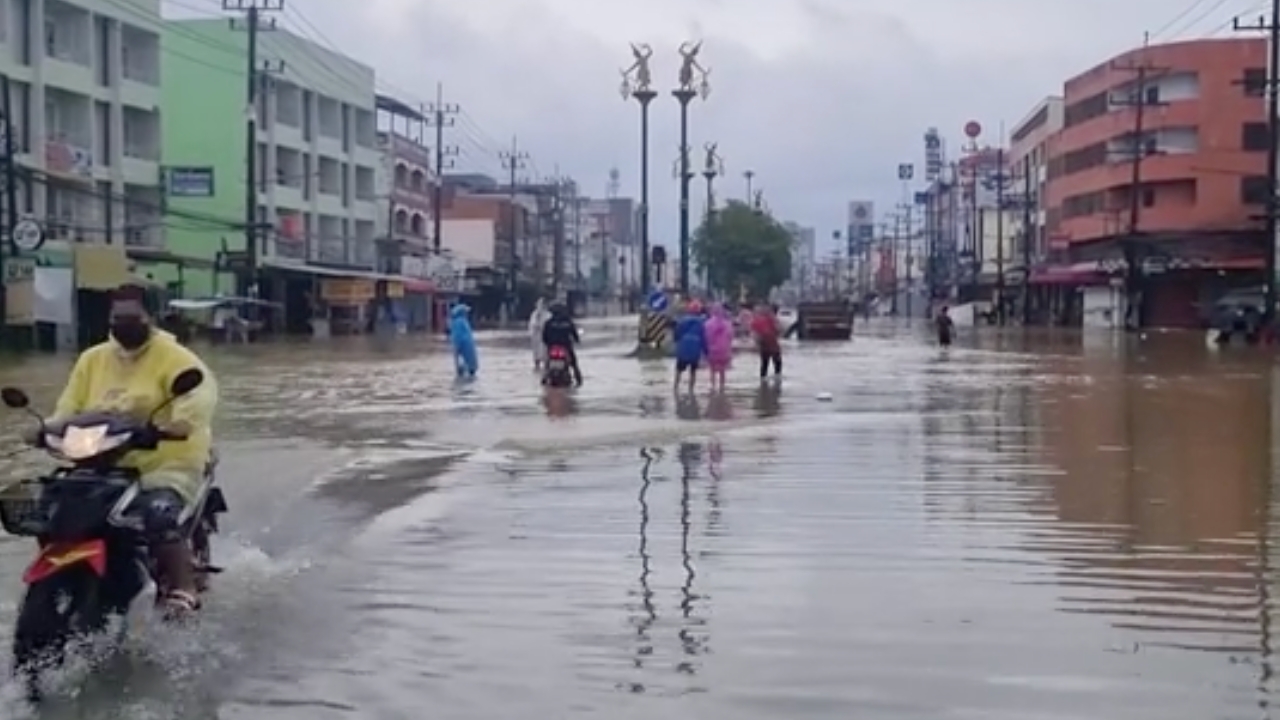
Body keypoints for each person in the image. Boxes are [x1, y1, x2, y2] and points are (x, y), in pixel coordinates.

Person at [41, 285, 217, 619]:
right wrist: (45, 429)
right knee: (52, 505)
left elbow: (199, 398)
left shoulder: (177, 359)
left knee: (158, 513)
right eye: (116, 317)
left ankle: (183, 587)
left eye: (132, 317)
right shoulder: (92, 359)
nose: (123, 324)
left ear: (150, 317)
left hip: (164, 460)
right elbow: (68, 408)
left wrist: (178, 424)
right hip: (101, 460)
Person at [541, 302, 583, 386]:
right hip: (566, 347)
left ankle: (544, 378)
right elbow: (575, 335)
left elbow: (544, 337)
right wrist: (577, 340)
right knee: (574, 364)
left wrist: (548, 344)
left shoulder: (548, 323)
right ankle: (578, 380)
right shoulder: (568, 322)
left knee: (547, 364)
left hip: (552, 347)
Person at [673, 300, 708, 393]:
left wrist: (676, 342)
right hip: (695, 350)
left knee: (678, 370)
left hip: (683, 348)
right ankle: (691, 391)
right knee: (693, 372)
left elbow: (676, 334)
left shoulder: (682, 321)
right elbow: (704, 338)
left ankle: (675, 389)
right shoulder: (702, 322)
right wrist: (706, 352)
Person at [704, 303, 734, 391]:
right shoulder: (728, 324)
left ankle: (713, 387)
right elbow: (731, 336)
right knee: (722, 371)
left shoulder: (708, 323)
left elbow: (706, 337)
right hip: (724, 350)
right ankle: (722, 387)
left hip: (712, 350)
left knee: (712, 370)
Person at [750, 302, 783, 380]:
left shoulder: (768, 319)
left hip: (769, 344)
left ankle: (766, 380)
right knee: (771, 363)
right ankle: (771, 379)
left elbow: (779, 330)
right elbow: (779, 330)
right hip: (769, 344)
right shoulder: (760, 320)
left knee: (768, 363)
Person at [448, 303, 479, 377]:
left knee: (464, 369)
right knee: (466, 369)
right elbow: (457, 336)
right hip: (464, 348)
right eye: (465, 312)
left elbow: (456, 337)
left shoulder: (461, 321)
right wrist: (457, 347)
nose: (466, 314)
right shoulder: (460, 322)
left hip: (464, 348)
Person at [528, 298, 550, 371]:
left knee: (545, 353)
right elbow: (532, 325)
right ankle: (537, 366)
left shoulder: (548, 314)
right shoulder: (534, 314)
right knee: (536, 353)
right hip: (536, 337)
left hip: (545, 337)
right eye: (540, 304)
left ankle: (545, 366)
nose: (541, 306)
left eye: (543, 304)